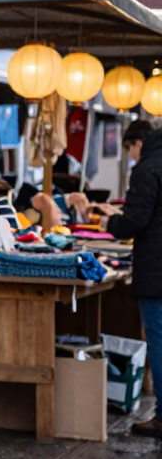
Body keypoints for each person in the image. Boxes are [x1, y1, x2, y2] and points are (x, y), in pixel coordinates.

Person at [103, 120, 162, 437]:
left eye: (130, 149)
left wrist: (110, 221)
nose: (131, 156)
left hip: (156, 270)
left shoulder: (147, 168)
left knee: (159, 342)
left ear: (138, 142)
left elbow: (136, 219)